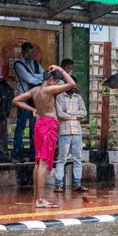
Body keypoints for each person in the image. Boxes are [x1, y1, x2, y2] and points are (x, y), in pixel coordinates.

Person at [12, 65, 75, 208]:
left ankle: (37, 197)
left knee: (38, 162)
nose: (58, 84)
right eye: (57, 81)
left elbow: (16, 100)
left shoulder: (35, 90)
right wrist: (62, 69)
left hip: (39, 124)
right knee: (44, 163)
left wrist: (33, 109)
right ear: (51, 79)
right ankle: (40, 200)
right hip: (48, 126)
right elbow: (72, 84)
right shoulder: (49, 89)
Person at [54, 76, 89, 192]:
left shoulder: (78, 98)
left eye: (74, 84)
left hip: (77, 132)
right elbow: (60, 114)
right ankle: (58, 184)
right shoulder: (59, 97)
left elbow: (84, 112)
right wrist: (75, 116)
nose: (73, 87)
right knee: (61, 159)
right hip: (64, 132)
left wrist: (69, 114)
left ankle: (77, 184)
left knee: (77, 159)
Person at [12, 42, 45, 163]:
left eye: (31, 53)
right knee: (21, 126)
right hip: (24, 98)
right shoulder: (18, 64)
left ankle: (33, 153)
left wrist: (36, 76)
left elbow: (45, 75)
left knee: (34, 127)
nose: (30, 55)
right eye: (28, 52)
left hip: (35, 99)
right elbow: (29, 79)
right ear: (23, 52)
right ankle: (17, 153)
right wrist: (38, 76)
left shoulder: (35, 63)